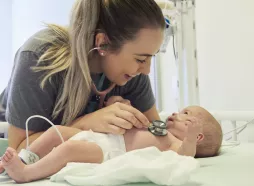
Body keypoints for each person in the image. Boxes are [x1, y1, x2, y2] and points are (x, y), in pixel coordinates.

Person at [0, 0, 166, 173]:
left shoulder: (132, 74)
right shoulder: (39, 57)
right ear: (102, 43)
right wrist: (87, 123)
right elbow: (19, 153)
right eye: (141, 59)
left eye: (150, 58)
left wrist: (130, 124)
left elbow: (158, 134)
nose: (146, 70)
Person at [1, 106, 223, 183]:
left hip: (109, 151)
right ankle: (23, 159)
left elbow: (185, 157)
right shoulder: (161, 128)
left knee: (69, 149)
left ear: (198, 136)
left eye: (187, 115)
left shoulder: (176, 144)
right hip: (100, 136)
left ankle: (26, 174)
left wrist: (190, 138)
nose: (177, 112)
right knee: (55, 131)